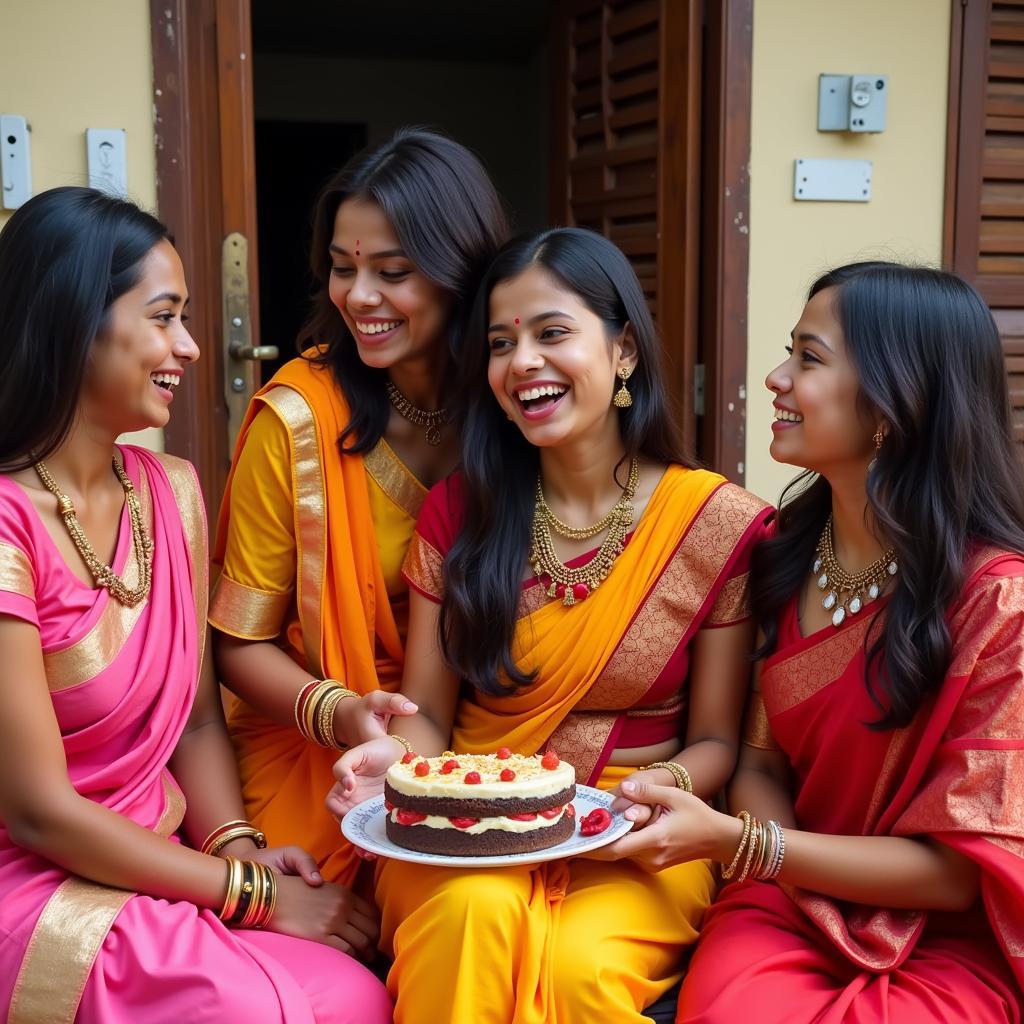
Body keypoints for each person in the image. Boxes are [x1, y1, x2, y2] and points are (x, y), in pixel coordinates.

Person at [330, 227, 772, 1023]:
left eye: (552, 333)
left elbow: (715, 741)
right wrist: (387, 760)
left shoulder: (712, 523)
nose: (522, 362)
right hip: (463, 823)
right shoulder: (462, 511)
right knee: (472, 920)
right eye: (501, 344)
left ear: (624, 350)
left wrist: (649, 794)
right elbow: (428, 717)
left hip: (633, 833)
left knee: (579, 973)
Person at [594, 262, 1024, 1022]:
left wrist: (748, 844)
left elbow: (958, 877)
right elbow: (760, 761)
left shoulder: (997, 603)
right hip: (790, 897)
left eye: (808, 358)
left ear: (896, 400)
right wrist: (772, 857)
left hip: (944, 936)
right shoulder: (787, 549)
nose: (774, 378)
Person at [0, 187, 392, 1021]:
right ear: (76, 322)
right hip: (42, 884)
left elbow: (197, 721)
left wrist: (241, 849)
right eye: (164, 315)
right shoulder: (7, 526)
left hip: (168, 859)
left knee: (357, 990)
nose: (189, 345)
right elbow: (37, 811)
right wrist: (249, 895)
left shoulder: (168, 491)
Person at [209, 127, 510, 886]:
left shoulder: (517, 403)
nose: (359, 296)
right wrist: (342, 711)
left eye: (393, 271)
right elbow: (237, 646)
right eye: (342, 269)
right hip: (322, 742)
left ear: (463, 274)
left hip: (489, 733)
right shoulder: (297, 423)